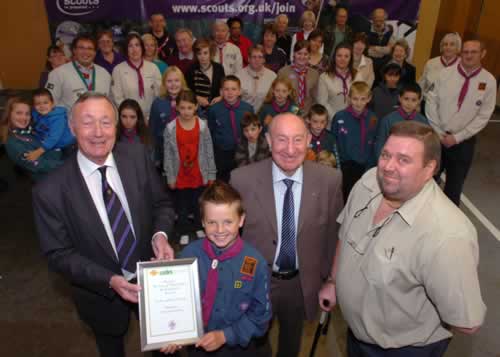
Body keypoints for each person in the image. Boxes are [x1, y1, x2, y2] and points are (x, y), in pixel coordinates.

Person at [33, 92, 176, 357]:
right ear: (72, 127)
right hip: (100, 295)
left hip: (154, 281)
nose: (98, 132)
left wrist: (160, 235)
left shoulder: (136, 156)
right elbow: (58, 254)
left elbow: (162, 204)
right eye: (87, 122)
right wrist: (109, 280)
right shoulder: (50, 190)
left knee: (166, 347)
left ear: (116, 126)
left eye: (106, 122)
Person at [325, 121, 486, 356]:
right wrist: (333, 281)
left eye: (403, 160)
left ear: (430, 168)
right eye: (386, 155)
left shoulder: (448, 235)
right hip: (357, 338)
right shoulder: (370, 181)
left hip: (403, 350)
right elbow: (345, 233)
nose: (388, 167)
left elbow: (467, 322)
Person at [230, 113, 343, 357]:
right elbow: (229, 238)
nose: (290, 150)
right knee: (252, 344)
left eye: (297, 140)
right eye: (281, 140)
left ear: (309, 140)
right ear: (269, 141)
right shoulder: (241, 180)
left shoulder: (330, 181)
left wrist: (331, 281)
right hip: (255, 283)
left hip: (299, 284)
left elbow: (334, 238)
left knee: (291, 343)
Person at [160, 181, 272, 356]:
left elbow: (261, 317)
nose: (220, 230)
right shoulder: (188, 255)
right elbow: (177, 302)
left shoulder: (255, 263)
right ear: (203, 221)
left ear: (241, 220)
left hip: (238, 349)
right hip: (197, 346)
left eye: (228, 221)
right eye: (212, 222)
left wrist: (226, 335)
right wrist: (171, 332)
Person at [426, 38, 496, 206]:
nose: (469, 56)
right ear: (460, 53)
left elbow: (484, 115)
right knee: (427, 182)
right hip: (438, 137)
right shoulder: (445, 74)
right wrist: (437, 131)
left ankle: (448, 228)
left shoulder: (489, 81)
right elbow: (431, 101)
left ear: (483, 54)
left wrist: (457, 137)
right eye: (465, 52)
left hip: (463, 143)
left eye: (474, 52)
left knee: (453, 189)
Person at [163, 90, 216, 229]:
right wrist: (170, 178)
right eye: (182, 108)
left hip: (198, 173)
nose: (186, 111)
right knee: (182, 205)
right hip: (179, 174)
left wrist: (211, 174)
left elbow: (209, 151)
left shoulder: (203, 126)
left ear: (196, 107)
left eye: (189, 108)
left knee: (198, 202)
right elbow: (167, 155)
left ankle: (199, 227)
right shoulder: (170, 128)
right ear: (176, 107)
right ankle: (183, 231)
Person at [332, 81, 377, 200]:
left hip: (366, 166)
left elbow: (374, 142)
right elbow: (334, 142)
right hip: (345, 165)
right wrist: (338, 165)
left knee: (362, 199)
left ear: (369, 99)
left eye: (363, 99)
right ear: (349, 98)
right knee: (346, 198)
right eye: (355, 99)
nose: (359, 103)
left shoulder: (373, 118)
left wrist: (371, 164)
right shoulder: (340, 117)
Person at [0, 97, 63, 180]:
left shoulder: (31, 130)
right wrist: (70, 165)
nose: (24, 117)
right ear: (9, 114)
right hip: (51, 179)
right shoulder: (13, 143)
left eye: (27, 114)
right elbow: (41, 165)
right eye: (19, 113)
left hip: (61, 164)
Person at [46, 34, 111, 111]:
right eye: (81, 48)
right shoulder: (58, 74)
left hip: (98, 121)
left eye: (90, 48)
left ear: (95, 52)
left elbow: (109, 103)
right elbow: (48, 105)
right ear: (74, 50)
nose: (86, 52)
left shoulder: (104, 74)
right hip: (69, 122)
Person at [207, 75, 254, 182]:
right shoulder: (214, 110)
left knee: (242, 181)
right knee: (223, 182)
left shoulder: (247, 109)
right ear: (221, 92)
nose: (230, 92)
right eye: (226, 89)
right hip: (222, 154)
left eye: (234, 89)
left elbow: (252, 131)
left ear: (239, 91)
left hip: (242, 152)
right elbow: (211, 131)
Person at [111, 33, 162, 123]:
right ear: (126, 49)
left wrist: (150, 117)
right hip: (129, 120)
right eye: (130, 46)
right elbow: (117, 98)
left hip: (151, 119)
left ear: (142, 48)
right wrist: (132, 117)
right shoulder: (118, 70)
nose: (134, 49)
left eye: (137, 45)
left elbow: (159, 94)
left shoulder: (153, 68)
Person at [149, 66, 189, 170]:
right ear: (164, 83)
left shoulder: (190, 99)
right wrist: (155, 156)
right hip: (165, 153)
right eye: (169, 81)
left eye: (177, 80)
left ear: (182, 82)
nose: (173, 84)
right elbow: (152, 131)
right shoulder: (158, 103)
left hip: (188, 152)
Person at [375, 83, 428, 158]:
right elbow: (380, 145)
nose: (409, 103)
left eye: (414, 100)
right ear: (399, 98)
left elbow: (426, 145)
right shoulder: (387, 120)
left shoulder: (423, 121)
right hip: (392, 160)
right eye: (406, 99)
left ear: (419, 101)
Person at [27, 88, 75, 162]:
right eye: (38, 104)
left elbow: (54, 137)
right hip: (49, 143)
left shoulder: (58, 119)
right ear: (34, 106)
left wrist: (38, 152)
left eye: (45, 102)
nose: (42, 106)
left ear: (52, 104)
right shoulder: (37, 113)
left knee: (64, 165)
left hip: (66, 145)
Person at [419, 32, 462, 114]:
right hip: (427, 106)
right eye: (445, 44)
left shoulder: (463, 66)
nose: (448, 47)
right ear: (442, 47)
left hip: (449, 110)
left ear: (458, 47)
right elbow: (421, 84)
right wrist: (417, 103)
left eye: (452, 44)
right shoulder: (431, 63)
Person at [317, 42, 355, 123]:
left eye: (346, 56)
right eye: (339, 55)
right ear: (334, 57)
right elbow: (322, 102)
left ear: (350, 59)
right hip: (332, 122)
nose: (342, 59)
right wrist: (337, 118)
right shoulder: (324, 77)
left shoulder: (357, 75)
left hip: (353, 119)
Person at [277, 40, 319, 114]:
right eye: (299, 53)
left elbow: (315, 98)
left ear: (309, 55)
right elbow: (278, 96)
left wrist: (311, 114)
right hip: (287, 112)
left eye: (305, 54)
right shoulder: (283, 72)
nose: (302, 57)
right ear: (294, 54)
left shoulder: (314, 74)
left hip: (307, 113)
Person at [185, 38, 225, 113]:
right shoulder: (191, 69)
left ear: (211, 53)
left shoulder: (218, 68)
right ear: (195, 55)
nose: (202, 56)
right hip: (196, 109)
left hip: (216, 107)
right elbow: (187, 90)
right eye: (199, 54)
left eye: (205, 53)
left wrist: (221, 97)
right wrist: (197, 97)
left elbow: (224, 87)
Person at [236, 45, 277, 113]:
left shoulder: (272, 76)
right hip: (243, 115)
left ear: (264, 60)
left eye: (260, 57)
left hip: (265, 115)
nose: (257, 60)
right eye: (254, 57)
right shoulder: (238, 76)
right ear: (249, 59)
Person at [367, 8, 395, 74]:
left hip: (385, 68)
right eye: (377, 17)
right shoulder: (366, 30)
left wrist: (374, 48)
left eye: (381, 17)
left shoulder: (390, 31)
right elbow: (367, 51)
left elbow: (390, 50)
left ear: (385, 19)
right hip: (369, 68)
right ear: (372, 18)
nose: (379, 19)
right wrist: (383, 51)